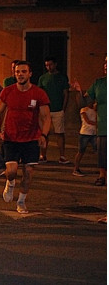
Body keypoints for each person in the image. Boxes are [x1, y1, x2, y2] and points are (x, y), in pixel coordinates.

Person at [0, 61, 51, 214]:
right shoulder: (7, 91)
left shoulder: (39, 93)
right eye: (18, 72)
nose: (20, 74)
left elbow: (46, 117)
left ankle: (21, 201)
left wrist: (44, 135)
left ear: (30, 74)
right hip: (11, 137)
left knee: (28, 172)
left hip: (31, 138)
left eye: (24, 71)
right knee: (11, 170)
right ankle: (10, 183)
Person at [72, 57, 107, 187]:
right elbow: (84, 103)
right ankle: (102, 176)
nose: (105, 65)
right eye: (105, 62)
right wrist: (79, 92)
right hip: (103, 126)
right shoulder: (99, 83)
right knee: (103, 154)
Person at [38, 56, 70, 164]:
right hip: (45, 109)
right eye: (47, 65)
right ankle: (43, 155)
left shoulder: (62, 77)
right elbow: (40, 94)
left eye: (50, 65)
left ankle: (62, 156)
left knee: (59, 133)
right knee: (44, 133)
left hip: (58, 109)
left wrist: (63, 108)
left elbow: (66, 93)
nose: (48, 67)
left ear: (55, 64)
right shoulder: (43, 78)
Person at [72, 101, 97, 177]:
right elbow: (87, 121)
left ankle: (102, 169)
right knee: (81, 151)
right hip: (85, 133)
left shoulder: (95, 111)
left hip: (93, 133)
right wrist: (97, 123)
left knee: (98, 151)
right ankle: (76, 169)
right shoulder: (84, 109)